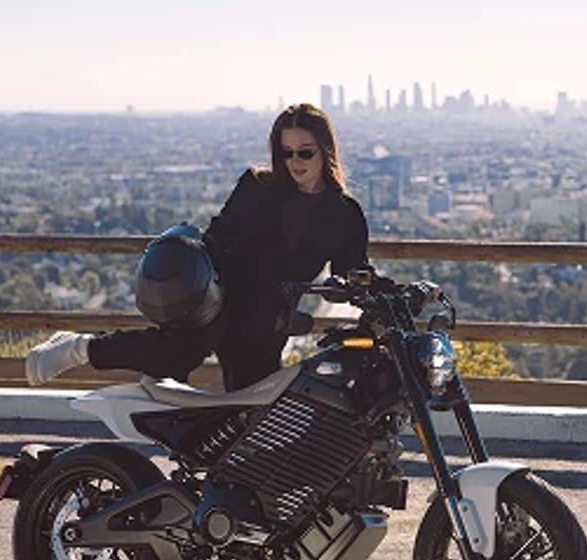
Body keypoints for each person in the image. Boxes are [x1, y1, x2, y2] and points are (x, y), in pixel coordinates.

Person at [25, 102, 369, 394]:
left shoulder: (344, 213)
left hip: (268, 324)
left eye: (305, 152)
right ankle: (78, 348)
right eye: (286, 152)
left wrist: (408, 293)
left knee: (252, 410)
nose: (295, 161)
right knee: (174, 356)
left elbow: (353, 274)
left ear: (325, 150)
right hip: (220, 301)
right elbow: (216, 239)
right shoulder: (257, 186)